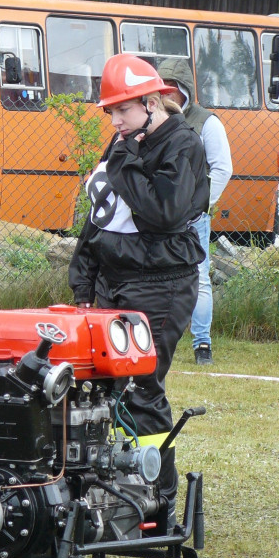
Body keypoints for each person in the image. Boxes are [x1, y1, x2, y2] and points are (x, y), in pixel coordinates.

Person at [68, 53, 208, 522]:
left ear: (152, 102)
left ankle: (158, 501)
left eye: (122, 110)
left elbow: (162, 214)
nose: (115, 120)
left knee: (141, 391)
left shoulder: (181, 144)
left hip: (162, 286)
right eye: (111, 112)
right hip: (113, 281)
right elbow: (101, 216)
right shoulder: (125, 140)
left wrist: (126, 162)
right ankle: (107, 490)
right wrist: (83, 281)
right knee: (98, 389)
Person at [157, 59, 233, 366]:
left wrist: (201, 205)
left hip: (192, 217)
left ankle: (202, 345)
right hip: (158, 214)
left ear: (184, 90)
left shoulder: (206, 122)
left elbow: (223, 168)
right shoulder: (152, 119)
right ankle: (156, 343)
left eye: (171, 90)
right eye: (161, 89)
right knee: (157, 279)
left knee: (199, 279)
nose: (165, 96)